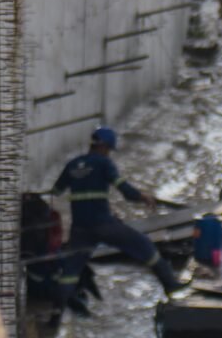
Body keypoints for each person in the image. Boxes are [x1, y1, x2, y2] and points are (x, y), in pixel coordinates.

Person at [51, 126, 186, 315]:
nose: (108, 153)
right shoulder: (104, 163)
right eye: (108, 150)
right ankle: (171, 286)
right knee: (145, 246)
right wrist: (144, 196)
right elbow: (126, 191)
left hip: (80, 229)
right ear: (105, 147)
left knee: (71, 271)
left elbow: (56, 192)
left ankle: (56, 312)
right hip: (104, 225)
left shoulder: (72, 165)